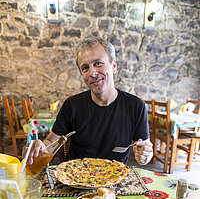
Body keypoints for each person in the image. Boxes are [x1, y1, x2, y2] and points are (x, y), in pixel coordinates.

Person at [23, 35, 153, 166]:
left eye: (98, 63)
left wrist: (144, 156)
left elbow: (144, 152)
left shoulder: (135, 106)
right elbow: (51, 144)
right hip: (75, 177)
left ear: (113, 66)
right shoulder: (72, 105)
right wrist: (38, 148)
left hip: (114, 178)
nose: (92, 73)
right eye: (85, 68)